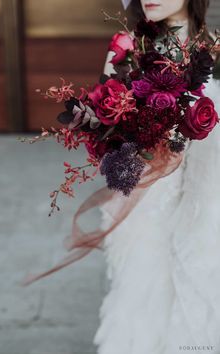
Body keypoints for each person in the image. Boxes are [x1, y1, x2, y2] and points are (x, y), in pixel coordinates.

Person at [94, 1, 220, 353]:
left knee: (201, 278)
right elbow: (103, 119)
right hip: (149, 193)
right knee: (146, 279)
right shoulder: (127, 46)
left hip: (207, 190)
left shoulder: (213, 47)